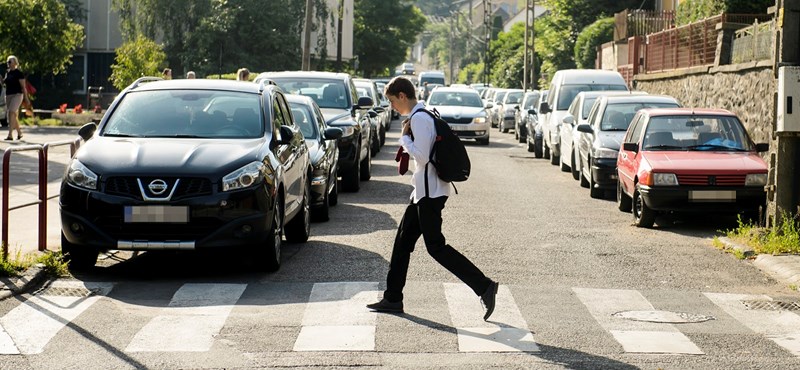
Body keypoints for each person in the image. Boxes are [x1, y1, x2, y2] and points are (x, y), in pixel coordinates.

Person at [367, 76, 498, 321]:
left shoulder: (419, 118)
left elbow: (423, 157)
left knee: (436, 247)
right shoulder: (422, 114)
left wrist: (404, 139)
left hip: (430, 194)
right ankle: (393, 297)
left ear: (403, 96)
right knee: (403, 242)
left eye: (394, 101)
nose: (393, 107)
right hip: (422, 192)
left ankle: (484, 286)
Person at [3, 56, 29, 141]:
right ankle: (19, 133)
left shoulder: (19, 73)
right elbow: (5, 84)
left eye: (10, 62)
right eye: (8, 62)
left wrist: (26, 98)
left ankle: (10, 135)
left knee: (11, 112)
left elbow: (23, 87)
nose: (8, 63)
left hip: (17, 95)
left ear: (15, 63)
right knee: (13, 114)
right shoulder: (7, 73)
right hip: (8, 95)